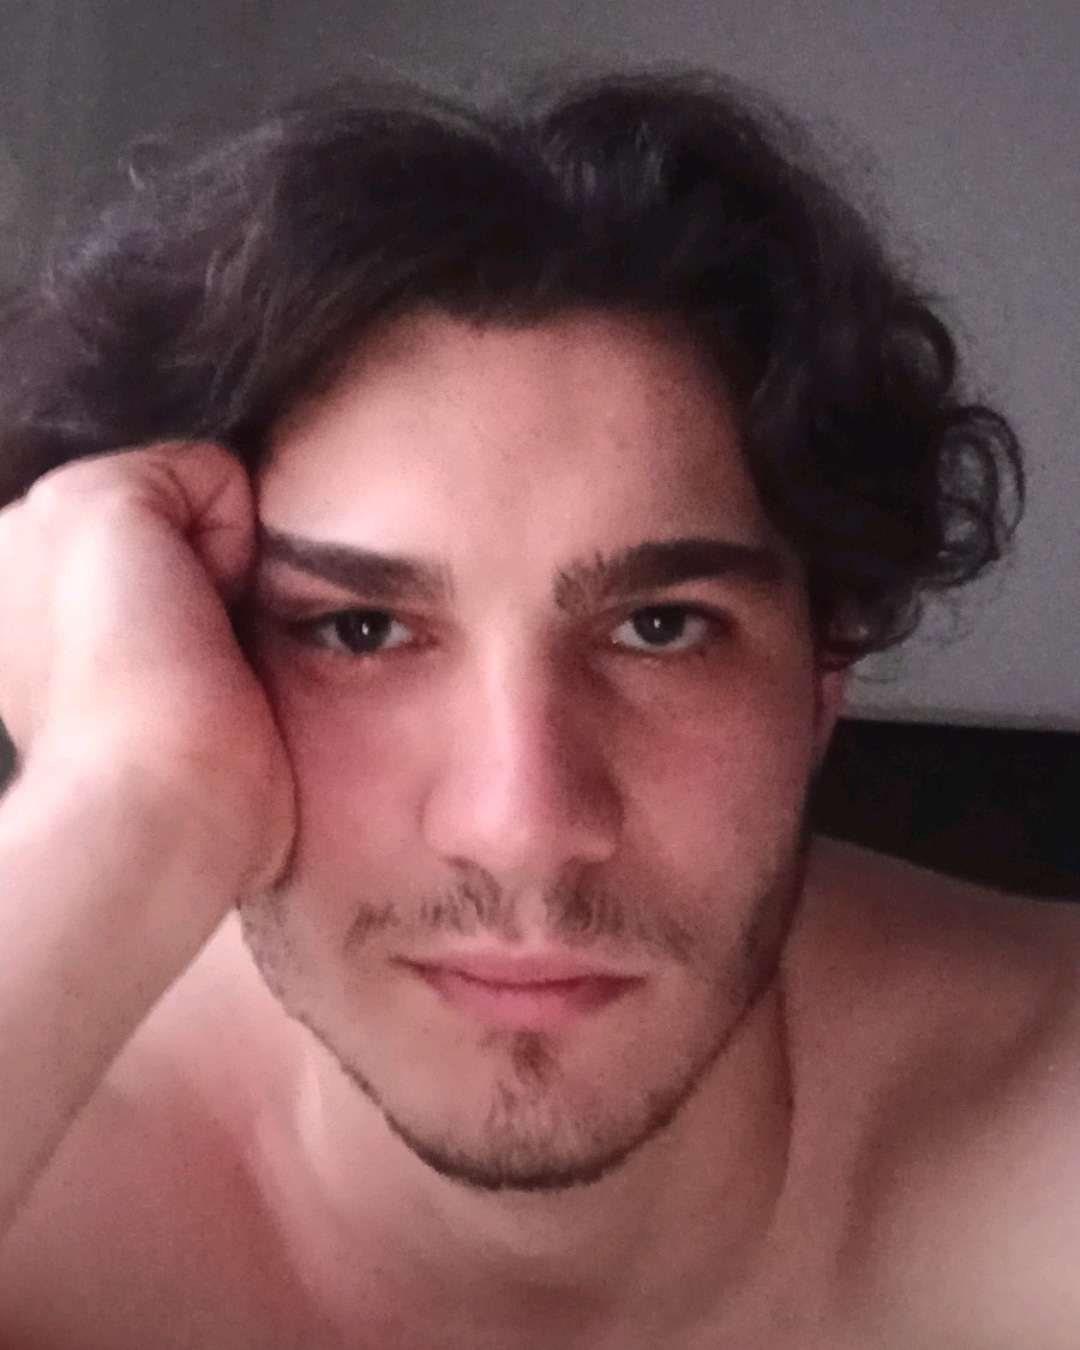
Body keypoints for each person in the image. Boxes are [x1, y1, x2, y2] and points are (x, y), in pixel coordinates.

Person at [0, 67, 1073, 1350]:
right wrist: (130, 790)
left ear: (824, 666)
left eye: (659, 627)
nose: (523, 822)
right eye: (359, 630)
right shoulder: (53, 1181)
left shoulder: (1039, 1121)